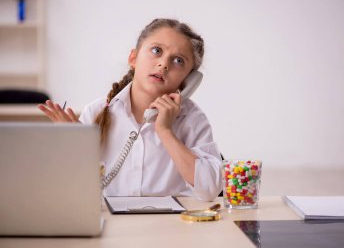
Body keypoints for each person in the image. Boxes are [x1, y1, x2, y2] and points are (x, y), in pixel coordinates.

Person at [38, 18, 222, 201]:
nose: (164, 64)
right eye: (156, 51)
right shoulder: (96, 112)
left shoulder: (192, 119)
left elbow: (210, 190)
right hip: (112, 224)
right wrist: (71, 146)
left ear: (188, 80)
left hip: (172, 226)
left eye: (178, 61)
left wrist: (165, 131)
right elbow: (68, 190)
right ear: (133, 58)